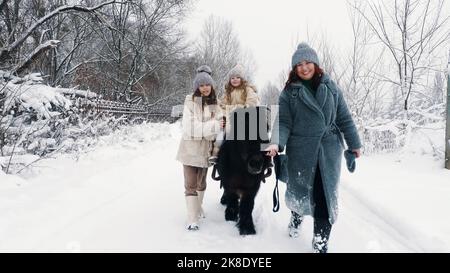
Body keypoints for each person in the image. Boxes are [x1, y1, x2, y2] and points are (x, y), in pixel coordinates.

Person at [266, 43, 362, 253]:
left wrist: (354, 144)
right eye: (299, 64)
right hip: (301, 151)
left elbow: (344, 117)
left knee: (324, 197)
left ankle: (320, 243)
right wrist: (276, 143)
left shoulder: (331, 88)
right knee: (301, 191)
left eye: (308, 62)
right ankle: (296, 217)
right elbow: (283, 122)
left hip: (328, 152)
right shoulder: (289, 93)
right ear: (294, 69)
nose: (304, 67)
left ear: (316, 64)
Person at [176, 65, 225, 231]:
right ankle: (192, 218)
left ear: (211, 86)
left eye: (207, 84)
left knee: (201, 184)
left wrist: (209, 128)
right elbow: (189, 128)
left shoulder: (215, 104)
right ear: (197, 87)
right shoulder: (190, 101)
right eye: (201, 85)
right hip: (190, 150)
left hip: (205, 151)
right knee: (190, 184)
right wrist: (212, 125)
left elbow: (216, 132)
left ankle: (197, 207)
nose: (205, 88)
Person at [209, 64, 260, 205]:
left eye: (238, 77)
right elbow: (221, 105)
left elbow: (251, 104)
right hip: (230, 120)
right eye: (233, 78)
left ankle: (261, 158)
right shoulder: (227, 92)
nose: (235, 80)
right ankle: (216, 154)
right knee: (221, 134)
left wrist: (235, 109)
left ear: (242, 79)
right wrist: (223, 112)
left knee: (257, 134)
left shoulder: (248, 90)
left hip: (245, 120)